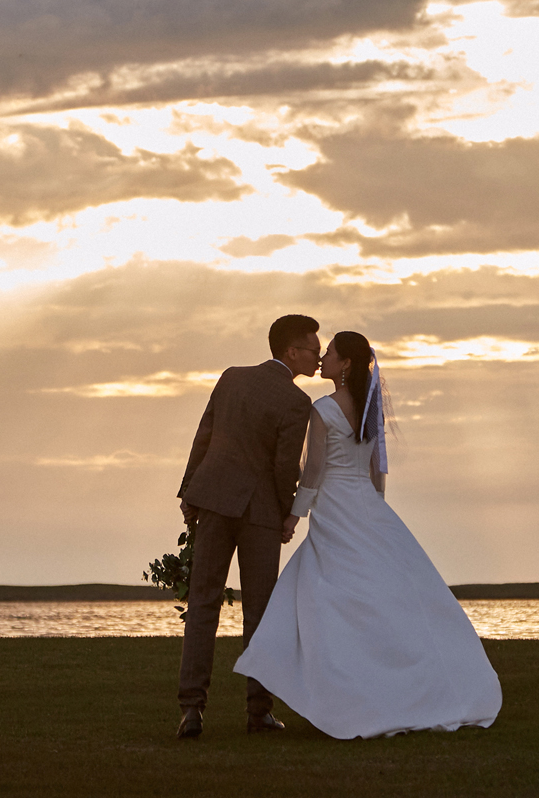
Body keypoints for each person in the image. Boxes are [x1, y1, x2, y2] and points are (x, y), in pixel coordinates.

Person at [234, 330, 501, 739]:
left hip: (335, 507)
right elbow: (377, 470)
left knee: (325, 594)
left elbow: (314, 471)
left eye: (331, 354)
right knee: (376, 591)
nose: (322, 358)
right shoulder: (369, 408)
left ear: (347, 365)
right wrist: (375, 509)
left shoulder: (323, 409)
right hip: (365, 505)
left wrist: (294, 516)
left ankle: (340, 688)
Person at [174, 314, 320, 739]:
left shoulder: (231, 377)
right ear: (291, 351)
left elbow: (205, 435)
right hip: (258, 513)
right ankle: (258, 712)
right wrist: (286, 514)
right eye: (313, 349)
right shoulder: (297, 403)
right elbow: (283, 466)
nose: (317, 356)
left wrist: (190, 491)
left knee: (202, 606)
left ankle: (191, 709)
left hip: (214, 502)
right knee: (259, 613)